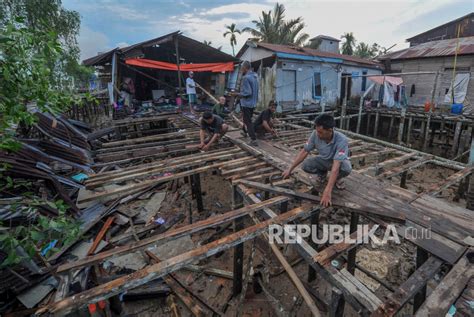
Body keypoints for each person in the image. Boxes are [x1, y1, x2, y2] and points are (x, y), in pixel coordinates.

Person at [282, 114, 352, 207]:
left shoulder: (341, 140)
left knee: (347, 168)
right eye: (317, 131)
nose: (318, 134)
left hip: (337, 162)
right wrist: (290, 169)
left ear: (330, 130)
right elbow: (304, 151)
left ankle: (337, 179)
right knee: (306, 165)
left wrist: (327, 191)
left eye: (320, 132)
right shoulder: (315, 134)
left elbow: (336, 166)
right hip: (324, 160)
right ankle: (322, 174)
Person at [238, 61, 259, 146]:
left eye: (241, 68)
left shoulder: (246, 78)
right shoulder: (255, 77)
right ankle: (244, 131)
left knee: (248, 121)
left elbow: (247, 92)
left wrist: (237, 94)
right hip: (253, 103)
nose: (241, 69)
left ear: (245, 67)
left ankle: (253, 139)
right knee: (246, 118)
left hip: (246, 103)